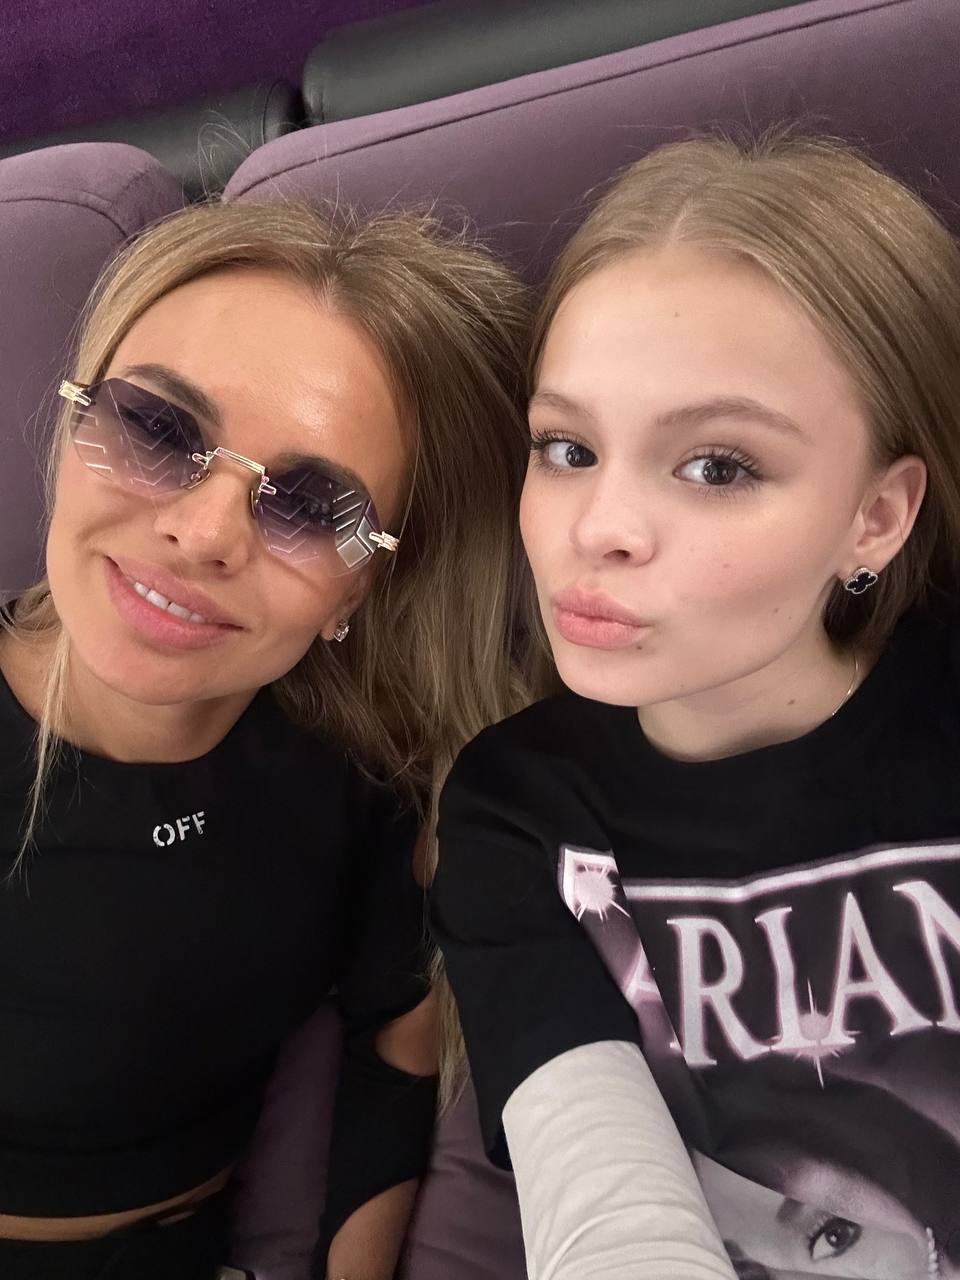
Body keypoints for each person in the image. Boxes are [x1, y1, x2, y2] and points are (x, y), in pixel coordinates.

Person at [431, 132, 960, 1280]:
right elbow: (604, 1211)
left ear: (876, 517)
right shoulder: (517, 809)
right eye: (566, 447)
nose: (597, 528)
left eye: (718, 465)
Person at [0, 197, 541, 1279]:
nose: (202, 533)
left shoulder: (369, 787)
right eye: (155, 429)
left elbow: (396, 1055)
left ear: (362, 587)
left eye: (312, 509)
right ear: (69, 427)